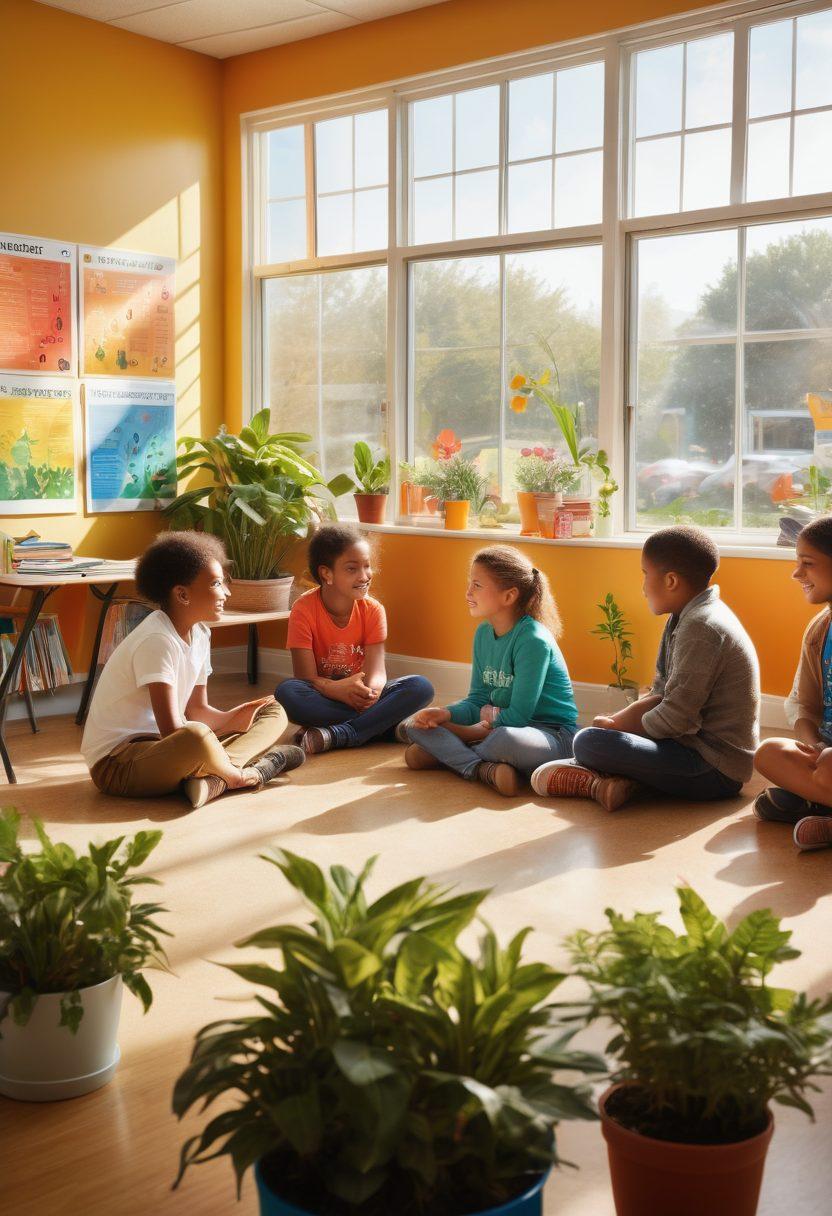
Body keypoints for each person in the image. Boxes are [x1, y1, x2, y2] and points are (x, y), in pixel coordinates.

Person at [532, 525, 760, 811]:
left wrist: (618, 730)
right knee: (599, 736)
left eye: (645, 574)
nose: (642, 587)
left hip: (714, 768)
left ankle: (601, 779)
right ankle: (621, 783)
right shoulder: (683, 616)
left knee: (589, 743)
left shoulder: (703, 627)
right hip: (686, 747)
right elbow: (661, 692)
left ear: (671, 580)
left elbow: (676, 719)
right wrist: (616, 722)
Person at [82, 531, 303, 808]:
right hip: (118, 765)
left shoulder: (200, 633)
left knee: (274, 710)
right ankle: (233, 774)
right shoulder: (157, 639)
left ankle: (210, 779)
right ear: (183, 594)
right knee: (195, 736)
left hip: (167, 748)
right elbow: (172, 731)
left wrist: (238, 714)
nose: (226, 592)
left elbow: (197, 711)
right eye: (216, 583)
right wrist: (209, 739)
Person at [404, 546, 578, 797]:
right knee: (414, 724)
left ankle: (450, 753)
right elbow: (477, 700)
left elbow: (518, 716)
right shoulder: (483, 634)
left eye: (477, 585)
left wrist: (468, 732)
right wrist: (444, 713)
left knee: (506, 739)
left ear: (509, 596)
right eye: (469, 583)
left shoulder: (533, 640)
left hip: (550, 734)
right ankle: (481, 769)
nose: (468, 592)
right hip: (495, 728)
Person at [274, 524, 433, 753]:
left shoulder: (373, 610)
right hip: (324, 695)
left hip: (363, 697)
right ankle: (383, 727)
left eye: (367, 566)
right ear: (326, 574)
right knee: (287, 692)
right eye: (352, 569)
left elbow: (377, 672)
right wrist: (337, 689)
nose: (364, 576)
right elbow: (305, 677)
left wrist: (371, 693)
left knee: (421, 686)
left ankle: (340, 733)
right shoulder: (303, 609)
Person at [754, 515, 832, 851]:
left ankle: (812, 804)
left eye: (807, 563)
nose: (796, 573)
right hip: (826, 755)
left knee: (826, 771)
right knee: (769, 752)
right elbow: (805, 706)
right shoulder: (820, 630)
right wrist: (813, 744)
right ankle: (818, 804)